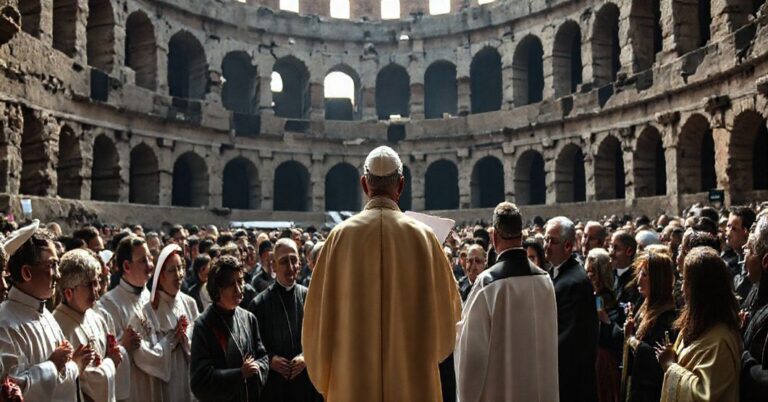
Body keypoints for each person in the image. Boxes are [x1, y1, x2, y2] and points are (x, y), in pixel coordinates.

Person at [302, 146, 462, 402]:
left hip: (351, 386)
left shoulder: (339, 237)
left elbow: (317, 323)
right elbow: (448, 321)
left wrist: (325, 378)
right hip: (412, 385)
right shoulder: (424, 237)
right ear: (401, 185)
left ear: (364, 184)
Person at [454, 202, 558, 401]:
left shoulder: (487, 284)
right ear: (522, 235)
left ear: (494, 237)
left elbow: (471, 358)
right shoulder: (545, 281)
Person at [0, 220, 93, 401]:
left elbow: (61, 380)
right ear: (27, 272)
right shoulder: (5, 323)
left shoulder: (46, 315)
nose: (58, 274)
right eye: (52, 265)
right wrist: (52, 366)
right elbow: (8, 390)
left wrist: (74, 365)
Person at [656, 247, 741, 402]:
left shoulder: (720, 342)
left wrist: (670, 366)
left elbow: (705, 396)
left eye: (686, 282)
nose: (682, 288)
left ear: (701, 289)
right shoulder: (693, 324)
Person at [53, 248, 130, 402]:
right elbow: (79, 384)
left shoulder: (98, 318)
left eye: (97, 282)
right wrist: (111, 362)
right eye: (90, 285)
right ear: (69, 293)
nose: (97, 290)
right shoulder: (57, 327)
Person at [249, 238, 320, 402]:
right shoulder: (259, 304)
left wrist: (306, 356)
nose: (290, 267)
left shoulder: (310, 297)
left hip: (305, 385)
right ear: (273, 266)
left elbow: (320, 336)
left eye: (294, 260)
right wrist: (270, 359)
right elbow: (251, 347)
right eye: (284, 261)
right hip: (274, 387)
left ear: (300, 263)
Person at [191, 255, 269, 402]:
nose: (239, 289)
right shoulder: (204, 325)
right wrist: (239, 374)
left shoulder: (249, 318)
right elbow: (199, 381)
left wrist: (257, 368)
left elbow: (263, 357)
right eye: (231, 284)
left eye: (240, 281)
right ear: (218, 288)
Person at [128, 244, 198, 401]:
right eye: (172, 270)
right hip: (162, 388)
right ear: (160, 276)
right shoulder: (145, 314)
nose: (179, 275)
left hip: (189, 382)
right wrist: (171, 339)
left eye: (180, 268)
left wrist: (185, 340)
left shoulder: (190, 304)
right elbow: (143, 357)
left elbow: (200, 347)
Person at [544, 216, 597, 402]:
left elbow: (568, 339)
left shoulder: (575, 282)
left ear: (567, 246)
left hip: (571, 382)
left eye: (552, 241)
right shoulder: (554, 273)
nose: (546, 246)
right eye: (545, 239)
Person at [96, 235, 150, 402]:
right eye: (143, 260)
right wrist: (122, 345)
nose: (150, 265)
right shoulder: (108, 304)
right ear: (126, 266)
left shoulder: (150, 296)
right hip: (131, 388)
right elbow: (107, 353)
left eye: (149, 258)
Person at [623, 249, 678, 402]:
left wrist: (631, 339)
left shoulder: (666, 317)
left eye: (645, 275)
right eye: (639, 274)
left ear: (658, 280)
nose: (639, 280)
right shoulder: (645, 305)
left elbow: (656, 360)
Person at [586, 248, 620, 402]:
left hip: (603, 360)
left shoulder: (602, 298)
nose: (589, 276)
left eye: (592, 272)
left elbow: (603, 320)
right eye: (587, 271)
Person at [741, 215, 768, 401]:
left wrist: (741, 354)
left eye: (750, 248)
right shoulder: (757, 289)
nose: (745, 250)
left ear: (765, 261)